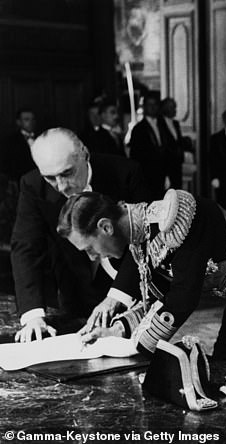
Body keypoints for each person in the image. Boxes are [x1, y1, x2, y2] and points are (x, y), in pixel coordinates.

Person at [60, 190, 226, 382]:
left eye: (90, 249)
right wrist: (116, 329)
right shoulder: (139, 235)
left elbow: (183, 297)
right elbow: (157, 298)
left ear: (105, 227)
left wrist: (133, 346)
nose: (94, 257)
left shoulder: (176, 217)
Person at [11, 128, 150, 342]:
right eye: (50, 178)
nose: (62, 186)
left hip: (127, 290)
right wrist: (33, 316)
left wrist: (116, 296)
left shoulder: (127, 173)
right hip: (73, 288)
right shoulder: (32, 185)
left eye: (67, 173)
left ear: (84, 153)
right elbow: (26, 247)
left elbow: (146, 239)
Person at [129, 92, 170, 199]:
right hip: (147, 175)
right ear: (144, 107)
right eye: (149, 104)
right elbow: (135, 155)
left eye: (155, 104)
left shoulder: (164, 125)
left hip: (164, 173)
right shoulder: (138, 129)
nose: (152, 107)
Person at [0, 108, 38, 184]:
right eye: (26, 119)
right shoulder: (10, 141)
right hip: (20, 181)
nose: (31, 122)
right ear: (19, 122)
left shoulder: (42, 137)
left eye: (33, 119)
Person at [160, 97, 186, 190]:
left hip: (177, 166)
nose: (175, 110)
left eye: (174, 107)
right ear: (164, 108)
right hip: (166, 166)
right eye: (171, 107)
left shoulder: (175, 123)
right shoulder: (159, 124)